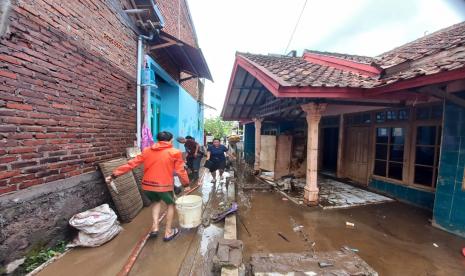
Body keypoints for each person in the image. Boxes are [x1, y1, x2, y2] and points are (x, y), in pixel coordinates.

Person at [105, 131, 190, 241]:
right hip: (163, 186)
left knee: (156, 202)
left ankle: (155, 227)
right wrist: (186, 184)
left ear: (158, 140)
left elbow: (132, 164)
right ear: (171, 140)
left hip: (147, 186)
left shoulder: (147, 151)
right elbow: (180, 170)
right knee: (170, 205)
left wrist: (114, 175)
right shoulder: (175, 152)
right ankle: (168, 232)